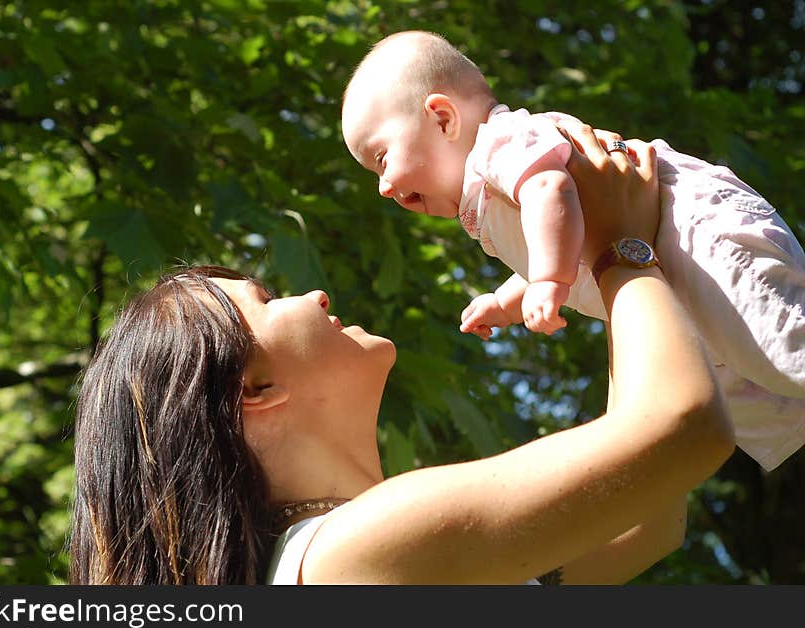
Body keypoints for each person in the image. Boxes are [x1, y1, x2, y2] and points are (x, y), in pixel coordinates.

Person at [69, 123, 734, 585]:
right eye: (267, 299)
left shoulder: (351, 560)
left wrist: (600, 261)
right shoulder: (350, 550)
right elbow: (682, 426)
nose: (315, 295)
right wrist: (620, 246)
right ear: (255, 389)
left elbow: (648, 514)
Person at [341, 30, 805, 472]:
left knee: (783, 343)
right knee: (760, 398)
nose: (383, 187)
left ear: (443, 118)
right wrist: (507, 301)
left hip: (693, 228)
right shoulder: (495, 195)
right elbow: (561, 233)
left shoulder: (498, 145)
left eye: (382, 159)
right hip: (663, 259)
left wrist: (547, 280)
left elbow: (551, 190)